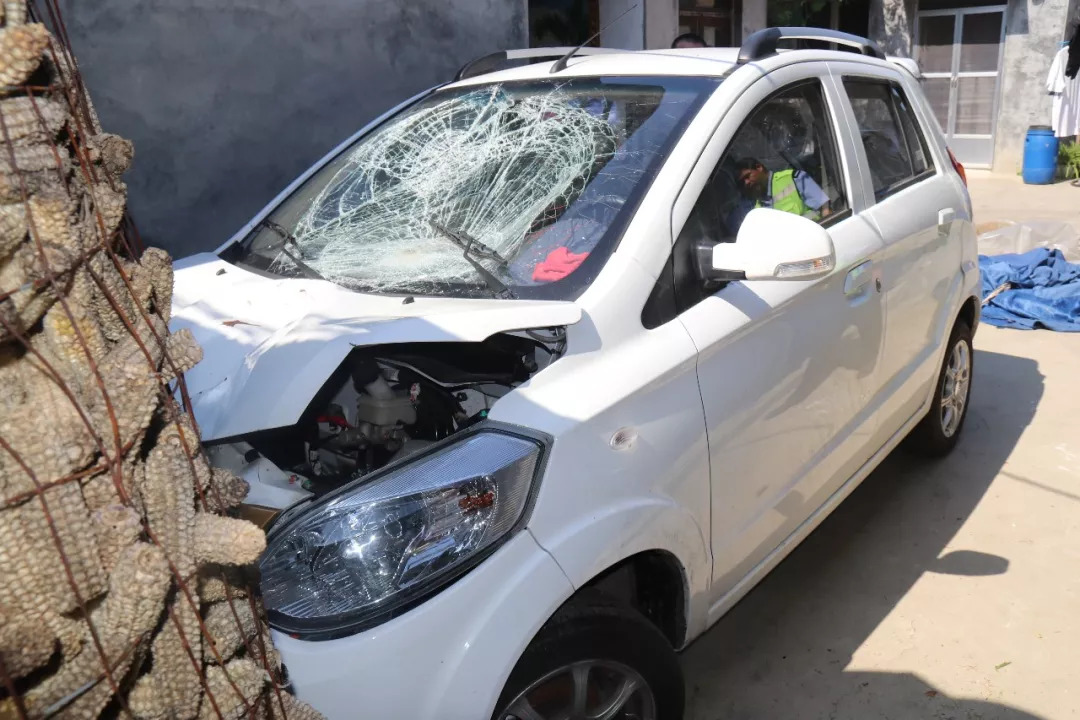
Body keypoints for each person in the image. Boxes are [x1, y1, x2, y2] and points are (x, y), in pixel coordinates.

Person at [727, 157, 831, 231]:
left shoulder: (794, 178)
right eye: (742, 182)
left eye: (747, 176)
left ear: (759, 167)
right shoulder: (757, 209)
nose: (747, 183)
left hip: (816, 241)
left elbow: (826, 209)